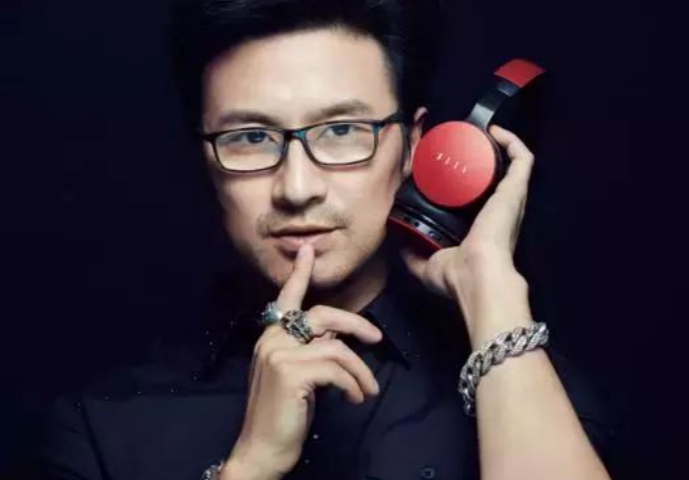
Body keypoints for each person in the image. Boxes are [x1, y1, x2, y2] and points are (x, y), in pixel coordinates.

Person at [37, 0, 614, 479]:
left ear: (415, 147)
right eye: (251, 137)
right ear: (204, 159)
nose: (297, 188)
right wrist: (249, 466)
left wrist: (491, 291)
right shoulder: (99, 427)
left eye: (342, 130)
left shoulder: (525, 388)